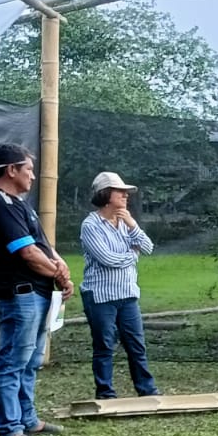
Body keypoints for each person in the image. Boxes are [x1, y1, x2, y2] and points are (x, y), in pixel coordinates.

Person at [0, 143, 72, 436]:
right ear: (11, 170)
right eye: (28, 169)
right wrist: (59, 275)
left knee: (30, 360)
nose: (32, 176)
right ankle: (9, 431)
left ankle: (28, 419)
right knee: (13, 361)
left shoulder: (19, 204)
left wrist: (61, 267)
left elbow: (43, 246)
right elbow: (28, 254)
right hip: (20, 294)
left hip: (39, 292)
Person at [79, 171, 160, 399]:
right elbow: (107, 259)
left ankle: (147, 391)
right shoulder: (90, 225)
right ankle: (105, 394)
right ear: (105, 194)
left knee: (136, 345)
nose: (126, 196)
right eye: (120, 192)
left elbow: (148, 248)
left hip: (127, 294)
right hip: (100, 296)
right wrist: (132, 255)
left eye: (126, 192)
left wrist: (133, 224)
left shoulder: (125, 222)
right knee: (104, 346)